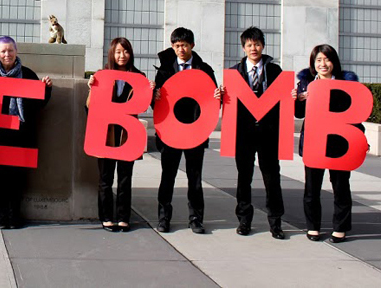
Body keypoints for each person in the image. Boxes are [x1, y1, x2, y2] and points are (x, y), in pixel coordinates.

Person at [0, 36, 52, 229]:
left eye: (10, 50)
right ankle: (0, 217)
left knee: (17, 179)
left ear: (16, 51)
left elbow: (38, 104)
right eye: (3, 51)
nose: (7, 54)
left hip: (20, 134)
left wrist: (47, 89)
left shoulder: (27, 75)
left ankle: (14, 217)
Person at [218, 26, 285, 239]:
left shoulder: (275, 71)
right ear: (243, 47)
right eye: (249, 45)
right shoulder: (234, 72)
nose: (253, 48)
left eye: (257, 44)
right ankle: (244, 221)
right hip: (243, 134)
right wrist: (220, 95)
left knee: (272, 179)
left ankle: (276, 223)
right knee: (243, 178)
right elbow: (229, 104)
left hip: (268, 134)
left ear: (263, 45)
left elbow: (282, 103)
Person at [152, 27, 217, 234]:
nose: (181, 49)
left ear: (192, 46)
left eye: (185, 45)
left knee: (195, 178)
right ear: (172, 46)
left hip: (195, 131)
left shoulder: (204, 70)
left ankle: (196, 219)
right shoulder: (164, 69)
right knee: (167, 176)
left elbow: (212, 101)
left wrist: (218, 96)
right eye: (177, 45)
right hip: (171, 132)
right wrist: (154, 97)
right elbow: (156, 105)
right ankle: (163, 218)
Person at [293, 44, 360, 243]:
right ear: (313, 64)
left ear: (334, 62)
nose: (323, 64)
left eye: (327, 59)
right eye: (319, 60)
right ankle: (313, 227)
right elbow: (298, 114)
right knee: (311, 189)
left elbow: (355, 115)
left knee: (340, 187)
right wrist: (300, 100)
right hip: (314, 142)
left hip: (340, 142)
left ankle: (340, 227)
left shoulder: (346, 83)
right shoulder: (305, 83)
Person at [87, 37, 153, 232]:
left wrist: (151, 90)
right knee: (105, 179)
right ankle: (106, 217)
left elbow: (146, 104)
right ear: (111, 54)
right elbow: (90, 107)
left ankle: (124, 217)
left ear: (130, 53)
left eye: (125, 51)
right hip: (105, 133)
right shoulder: (102, 75)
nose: (121, 56)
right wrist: (92, 88)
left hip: (127, 133)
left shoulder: (138, 76)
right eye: (117, 52)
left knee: (125, 177)